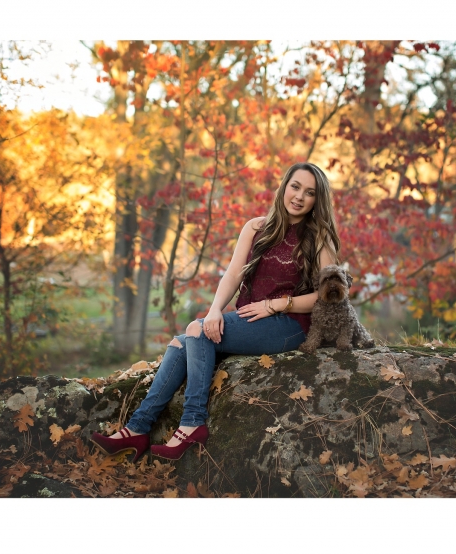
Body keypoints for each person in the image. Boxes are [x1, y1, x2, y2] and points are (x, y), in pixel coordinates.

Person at [91, 162, 341, 461]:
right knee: (183, 340)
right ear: (284, 187)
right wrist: (213, 311)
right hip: (252, 317)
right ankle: (137, 429)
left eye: (309, 192)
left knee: (197, 334)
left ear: (317, 199)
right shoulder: (256, 227)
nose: (299, 196)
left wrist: (275, 304)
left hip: (290, 325)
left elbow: (329, 296)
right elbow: (234, 273)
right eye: (295, 186)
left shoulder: (319, 237)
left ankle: (192, 422)